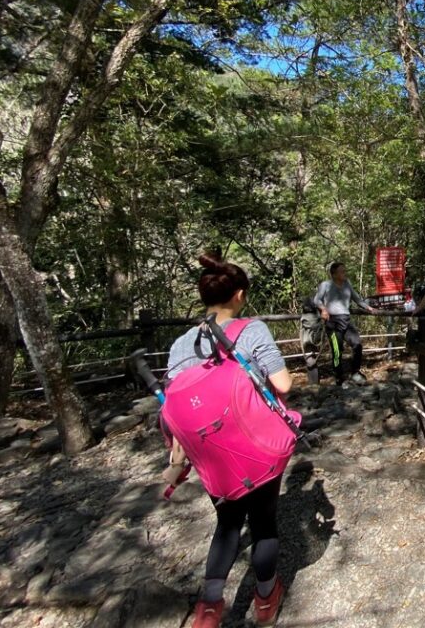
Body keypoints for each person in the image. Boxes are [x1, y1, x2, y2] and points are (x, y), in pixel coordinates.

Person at [165, 252, 291, 628]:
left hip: (210, 450)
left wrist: (175, 465)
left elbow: (181, 411)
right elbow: (282, 385)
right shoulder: (251, 330)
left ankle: (208, 609)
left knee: (227, 523)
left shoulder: (181, 344)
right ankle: (266, 599)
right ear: (239, 295)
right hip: (254, 445)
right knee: (264, 521)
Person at [313, 261, 376, 384]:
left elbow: (357, 298)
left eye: (344, 270)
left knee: (357, 344)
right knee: (337, 350)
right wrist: (323, 309)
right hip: (332, 322)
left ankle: (355, 372)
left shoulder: (347, 284)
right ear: (334, 274)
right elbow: (317, 300)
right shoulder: (325, 285)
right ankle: (338, 376)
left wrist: (368, 308)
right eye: (342, 271)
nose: (345, 273)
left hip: (346, 320)